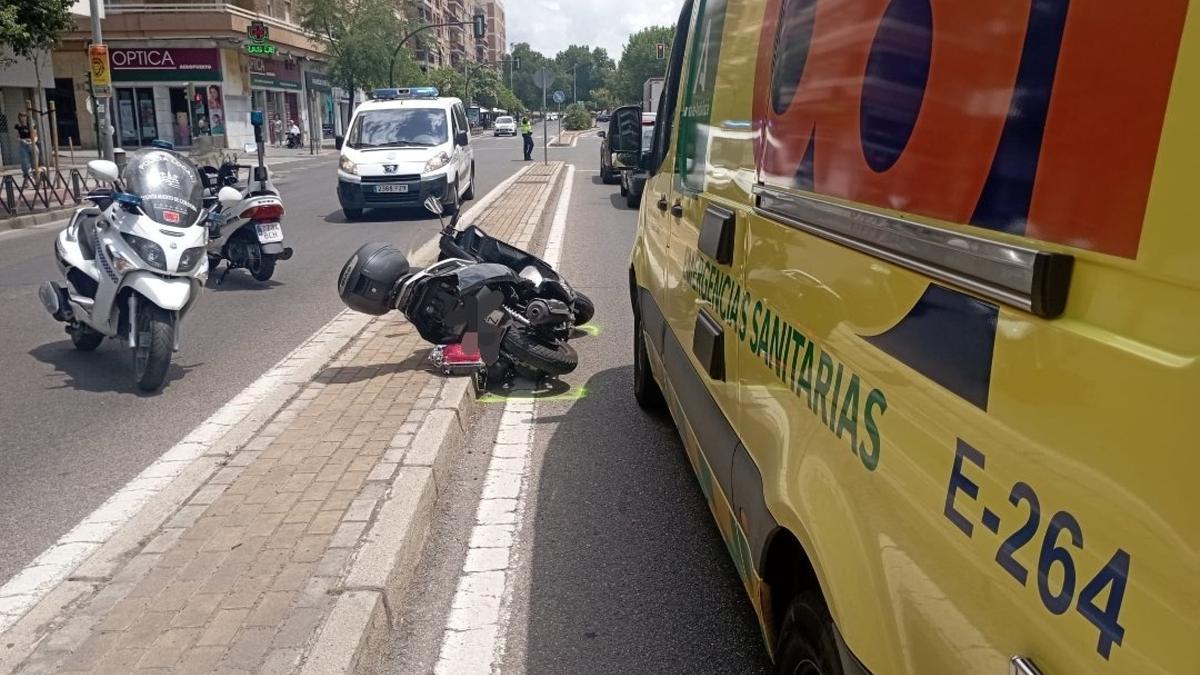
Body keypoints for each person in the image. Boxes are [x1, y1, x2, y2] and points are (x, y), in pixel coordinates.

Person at [14, 112, 34, 181]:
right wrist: (22, 141)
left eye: (24, 116)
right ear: (19, 118)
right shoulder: (18, 126)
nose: (23, 118)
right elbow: (17, 137)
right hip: (23, 144)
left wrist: (32, 141)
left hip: (32, 143)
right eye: (21, 116)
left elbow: (36, 135)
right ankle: (26, 179)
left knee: (35, 158)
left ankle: (36, 178)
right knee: (25, 162)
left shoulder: (31, 125)